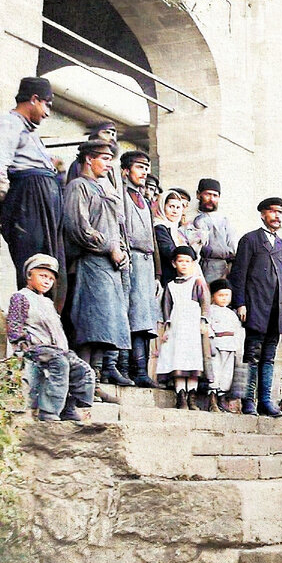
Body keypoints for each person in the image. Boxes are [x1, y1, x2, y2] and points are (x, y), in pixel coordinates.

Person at [0, 76, 66, 308]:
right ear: (34, 99)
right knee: (35, 268)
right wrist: (11, 204)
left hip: (42, 204)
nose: (47, 113)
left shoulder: (30, 132)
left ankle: (46, 320)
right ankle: (29, 322)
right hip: (30, 203)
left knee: (51, 270)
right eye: (47, 105)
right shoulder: (11, 123)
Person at [61, 137, 132, 384]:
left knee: (106, 327)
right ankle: (82, 381)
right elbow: (78, 228)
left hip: (110, 267)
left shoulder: (105, 188)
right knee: (89, 326)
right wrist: (110, 247)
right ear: (89, 159)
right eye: (104, 159)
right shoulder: (78, 187)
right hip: (89, 264)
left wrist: (121, 250)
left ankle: (95, 379)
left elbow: (116, 226)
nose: (109, 164)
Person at [6, 253, 94, 422]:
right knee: (59, 364)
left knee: (81, 368)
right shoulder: (21, 297)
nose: (47, 281)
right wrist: (24, 345)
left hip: (56, 350)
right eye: (42, 276)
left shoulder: (47, 302)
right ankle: (48, 411)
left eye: (51, 279)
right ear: (29, 275)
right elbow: (14, 327)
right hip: (35, 348)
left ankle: (69, 407)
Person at [228, 197, 282, 416]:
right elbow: (239, 274)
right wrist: (240, 303)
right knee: (252, 356)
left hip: (276, 311)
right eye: (272, 212)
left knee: (269, 357)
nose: (276, 216)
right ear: (263, 215)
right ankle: (248, 401)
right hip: (256, 308)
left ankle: (265, 400)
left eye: (279, 212)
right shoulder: (250, 240)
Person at [119, 151, 161, 388]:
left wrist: (157, 273)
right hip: (131, 259)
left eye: (146, 167)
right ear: (125, 171)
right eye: (139, 167)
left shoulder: (144, 201)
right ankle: (127, 368)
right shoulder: (122, 196)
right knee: (131, 316)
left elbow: (152, 239)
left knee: (145, 320)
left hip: (146, 263)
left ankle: (142, 371)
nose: (144, 172)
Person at [155, 245, 211, 410]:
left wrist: (203, 321)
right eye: (181, 261)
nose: (184, 264)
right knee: (178, 358)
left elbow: (205, 302)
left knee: (192, 359)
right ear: (174, 263)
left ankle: (192, 396)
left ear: (193, 263)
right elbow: (166, 307)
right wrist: (167, 327)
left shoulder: (197, 282)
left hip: (193, 326)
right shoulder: (171, 286)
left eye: (188, 261)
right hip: (177, 326)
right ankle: (181, 396)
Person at [205, 278, 244, 413]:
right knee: (215, 371)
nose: (224, 298)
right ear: (213, 296)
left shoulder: (232, 314)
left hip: (230, 346)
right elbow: (207, 326)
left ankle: (222, 398)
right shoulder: (210, 311)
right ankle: (212, 400)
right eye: (220, 295)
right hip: (217, 345)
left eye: (227, 295)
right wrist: (210, 341)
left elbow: (238, 331)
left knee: (227, 374)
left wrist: (238, 347)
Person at [192, 178, 236, 283]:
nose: (211, 199)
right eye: (207, 194)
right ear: (198, 195)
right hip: (202, 267)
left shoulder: (224, 220)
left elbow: (232, 247)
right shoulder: (192, 219)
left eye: (215, 196)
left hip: (224, 267)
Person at [154, 188, 197, 290]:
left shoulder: (175, 228)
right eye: (171, 207)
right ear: (163, 207)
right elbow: (169, 250)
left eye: (178, 207)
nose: (174, 211)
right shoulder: (160, 227)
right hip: (167, 274)